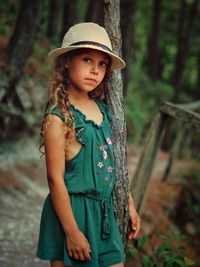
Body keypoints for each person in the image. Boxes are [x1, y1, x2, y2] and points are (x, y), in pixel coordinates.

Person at [36, 22, 140, 267]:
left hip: (105, 215)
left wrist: (130, 205)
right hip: (72, 214)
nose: (95, 70)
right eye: (86, 60)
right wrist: (72, 232)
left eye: (102, 64)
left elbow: (112, 165)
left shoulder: (104, 111)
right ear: (67, 62)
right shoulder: (57, 117)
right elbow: (55, 179)